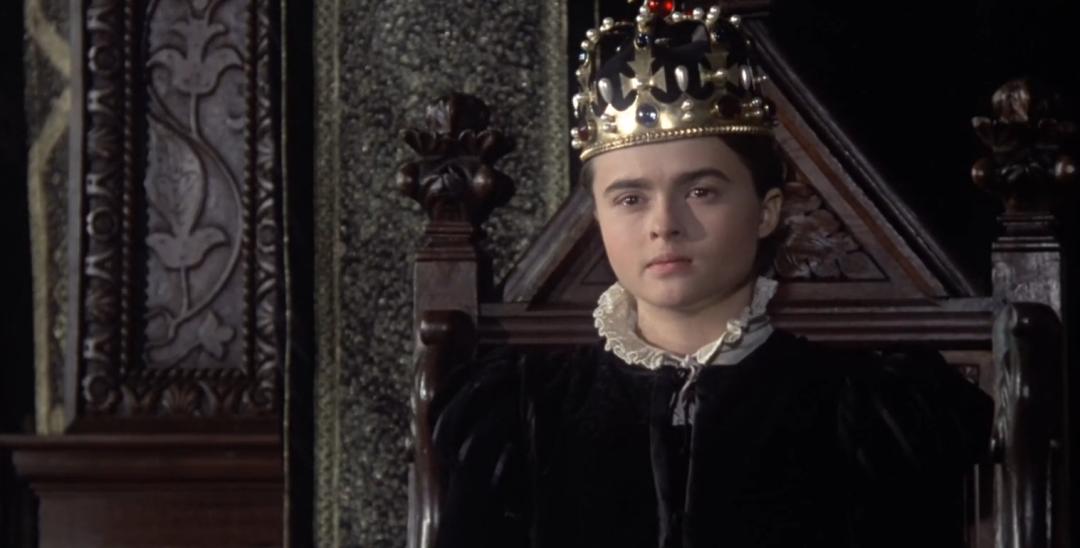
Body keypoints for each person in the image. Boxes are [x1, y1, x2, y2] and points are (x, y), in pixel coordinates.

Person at [431, 2, 993, 547]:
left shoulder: (866, 416)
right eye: (630, 198)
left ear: (767, 211)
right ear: (598, 217)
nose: (664, 225)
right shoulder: (523, 416)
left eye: (701, 191)